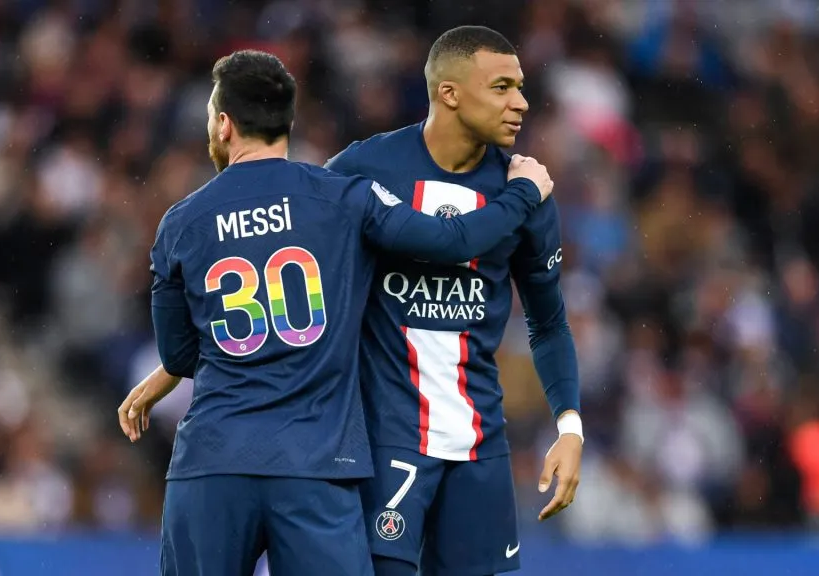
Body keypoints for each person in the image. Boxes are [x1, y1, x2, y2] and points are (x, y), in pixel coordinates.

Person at [121, 49, 553, 576]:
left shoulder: (181, 223)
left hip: (214, 462)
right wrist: (522, 193)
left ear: (223, 124)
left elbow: (182, 353)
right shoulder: (344, 199)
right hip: (315, 468)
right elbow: (453, 240)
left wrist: (168, 375)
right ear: (287, 122)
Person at [321, 26, 583, 576]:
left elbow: (549, 323)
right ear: (450, 93)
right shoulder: (363, 170)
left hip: (480, 446)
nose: (521, 102)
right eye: (502, 87)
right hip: (386, 442)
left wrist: (569, 426)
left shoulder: (526, 189)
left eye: (521, 87)